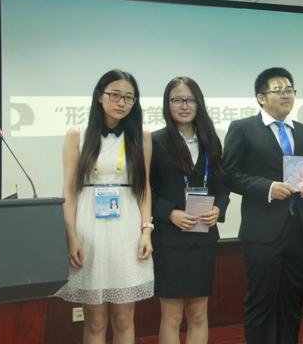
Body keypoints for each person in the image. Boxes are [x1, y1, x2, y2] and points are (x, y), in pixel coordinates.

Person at [222, 67, 303, 344]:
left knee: (293, 304)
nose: (286, 95)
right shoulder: (243, 129)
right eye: (278, 90)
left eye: (289, 90)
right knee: (261, 303)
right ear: (261, 98)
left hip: (300, 231)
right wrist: (267, 188)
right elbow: (229, 174)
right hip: (262, 233)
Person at [56, 69, 154, 344]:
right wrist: (71, 236)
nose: (122, 102)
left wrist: (146, 231)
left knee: (123, 319)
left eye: (129, 97)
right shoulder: (78, 134)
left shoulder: (141, 135)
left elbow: (144, 188)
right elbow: (69, 190)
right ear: (99, 96)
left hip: (127, 230)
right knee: (96, 321)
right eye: (115, 95)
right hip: (89, 229)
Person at [150, 77, 230, 344]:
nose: (184, 106)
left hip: (203, 238)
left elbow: (221, 186)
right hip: (169, 240)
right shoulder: (155, 142)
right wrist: (170, 213)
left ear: (199, 104)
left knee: (198, 314)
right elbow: (145, 191)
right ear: (167, 104)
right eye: (177, 100)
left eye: (190, 100)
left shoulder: (211, 141)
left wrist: (218, 209)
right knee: (172, 316)